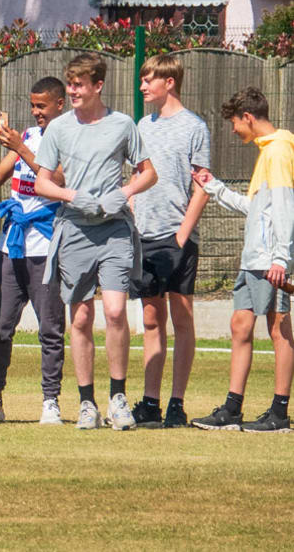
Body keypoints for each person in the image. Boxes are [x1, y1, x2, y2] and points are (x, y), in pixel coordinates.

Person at [28, 53, 156, 431]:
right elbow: (42, 182)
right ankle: (87, 403)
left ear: (98, 85)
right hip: (75, 231)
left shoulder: (122, 125)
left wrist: (125, 191)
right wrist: (71, 197)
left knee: (115, 311)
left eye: (79, 85)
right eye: (70, 85)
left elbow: (149, 174)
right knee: (81, 317)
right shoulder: (59, 129)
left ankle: (118, 398)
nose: (72, 91)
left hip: (115, 228)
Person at [189, 88, 294, 432]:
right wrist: (214, 187)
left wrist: (281, 258)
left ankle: (279, 413)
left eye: (235, 122)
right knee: (240, 325)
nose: (233, 130)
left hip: (269, 261)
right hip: (252, 260)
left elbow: (284, 208)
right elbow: (256, 210)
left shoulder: (278, 151)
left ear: (248, 117)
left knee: (279, 330)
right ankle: (232, 409)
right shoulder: (267, 152)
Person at [0, 77, 66, 425]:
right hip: (11, 247)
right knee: (0, 326)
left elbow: (59, 181)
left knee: (50, 329)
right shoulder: (25, 137)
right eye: (33, 105)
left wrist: (22, 150)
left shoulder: (68, 136)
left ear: (60, 104)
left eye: (42, 105)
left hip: (46, 246)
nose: (36, 112)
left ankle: (50, 401)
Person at [128, 54, 210, 428]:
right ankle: (150, 402)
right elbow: (135, 176)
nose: (143, 86)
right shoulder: (141, 125)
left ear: (169, 82)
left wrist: (181, 235)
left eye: (149, 80)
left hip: (177, 236)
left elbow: (202, 186)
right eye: (142, 80)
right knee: (149, 317)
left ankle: (177, 402)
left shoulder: (194, 127)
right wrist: (129, 209)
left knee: (181, 315)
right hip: (143, 235)